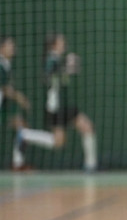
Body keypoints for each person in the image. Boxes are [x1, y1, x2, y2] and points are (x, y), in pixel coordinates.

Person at [0, 35, 57, 171]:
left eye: (13, 44)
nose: (13, 47)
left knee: (22, 126)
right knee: (22, 127)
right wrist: (20, 98)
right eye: (9, 45)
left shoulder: (6, 65)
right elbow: (5, 88)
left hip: (3, 108)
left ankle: (18, 163)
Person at [43, 34, 97, 172]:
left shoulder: (58, 60)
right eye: (61, 41)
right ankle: (26, 136)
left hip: (65, 106)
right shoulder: (51, 60)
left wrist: (68, 68)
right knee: (58, 142)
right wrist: (67, 67)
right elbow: (50, 76)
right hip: (56, 108)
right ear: (54, 45)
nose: (64, 43)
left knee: (87, 127)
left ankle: (90, 166)